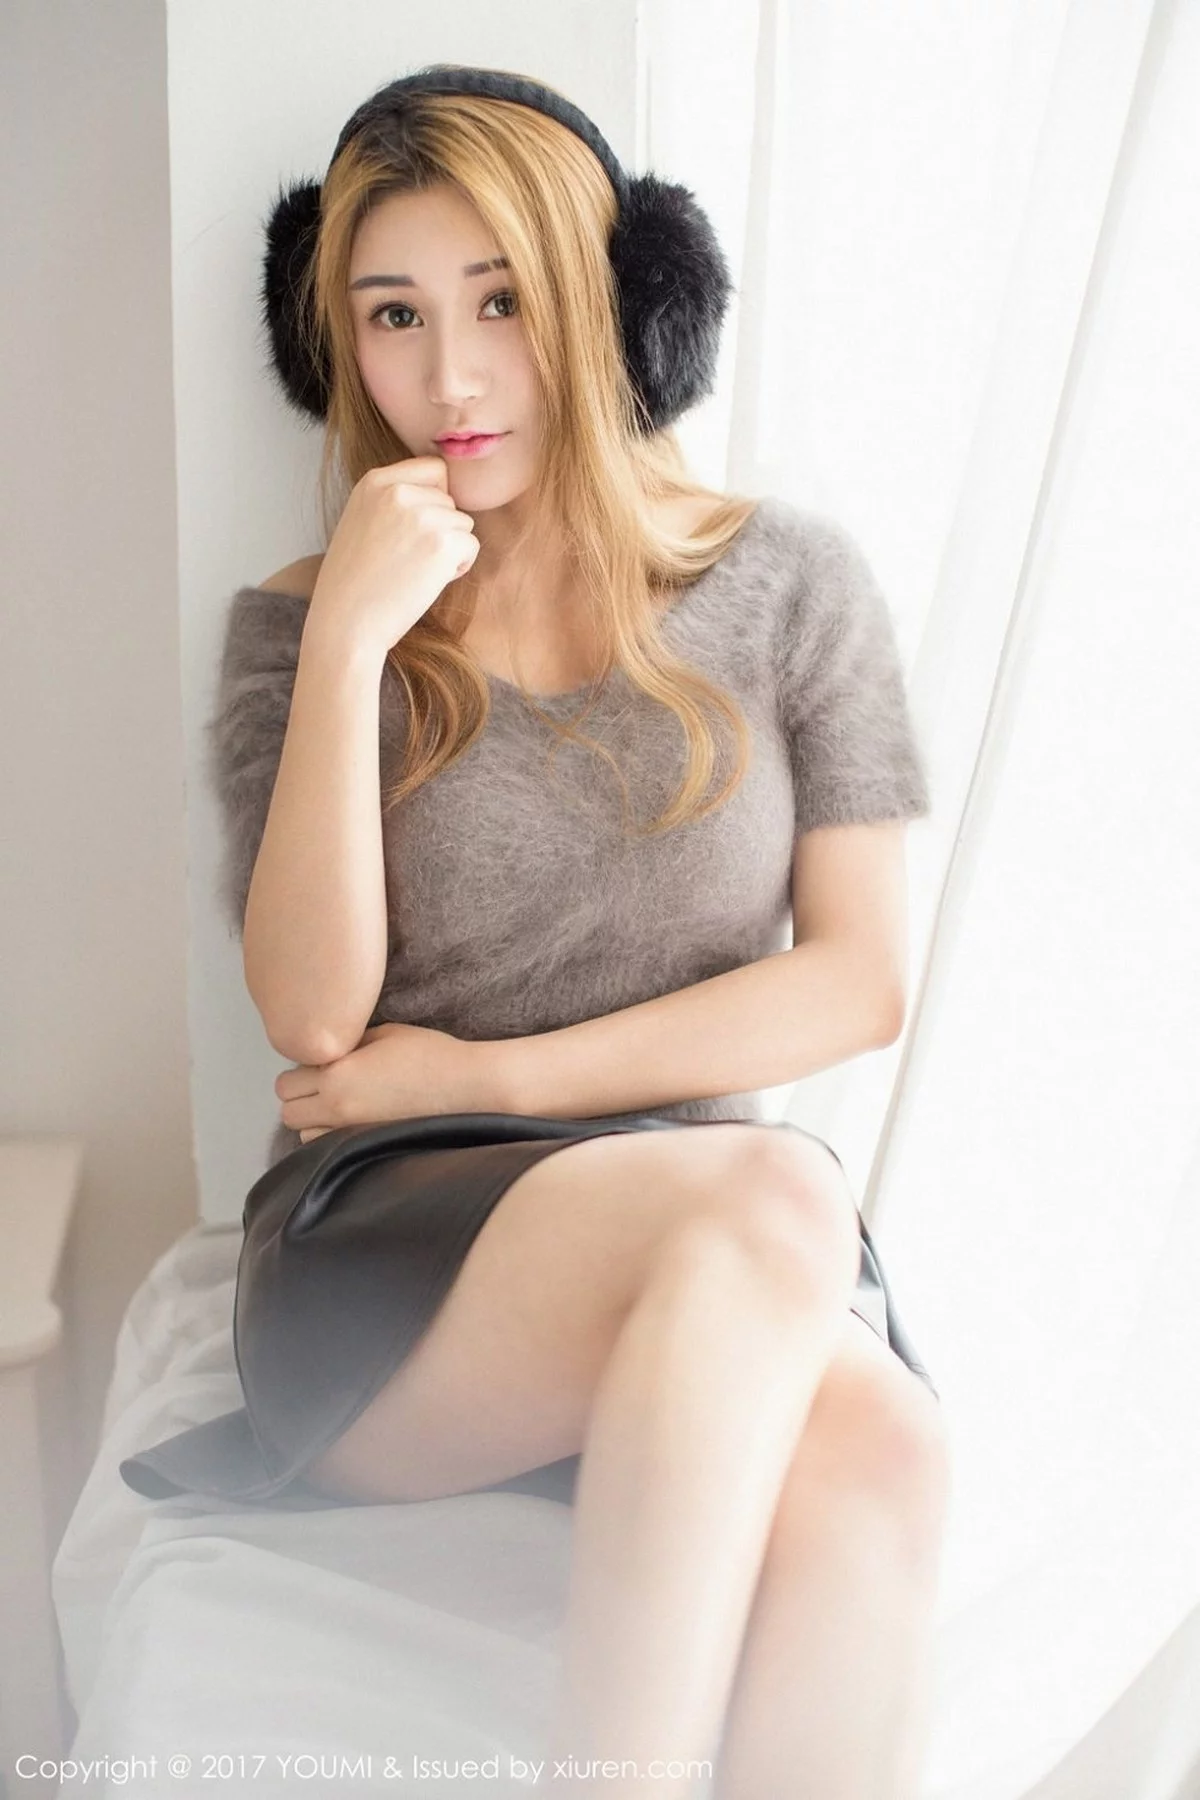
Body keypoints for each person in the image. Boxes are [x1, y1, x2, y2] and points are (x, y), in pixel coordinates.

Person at [122, 66, 951, 1799]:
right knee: (774, 1203)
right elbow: (312, 1015)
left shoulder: (794, 588)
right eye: (394, 316)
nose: (451, 377)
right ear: (335, 344)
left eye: (500, 300)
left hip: (711, 1234)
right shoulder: (302, 627)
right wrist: (351, 639)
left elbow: (860, 980)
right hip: (395, 1264)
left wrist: (488, 1072)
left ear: (613, 297)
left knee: (881, 1439)